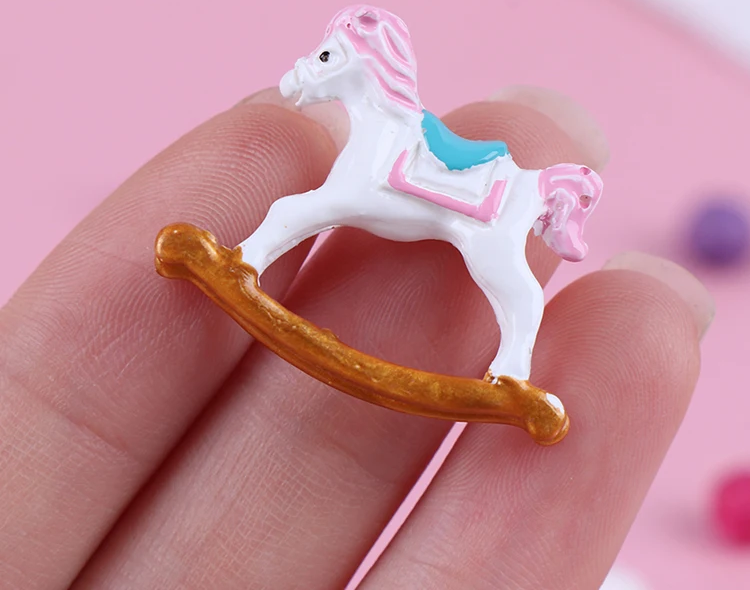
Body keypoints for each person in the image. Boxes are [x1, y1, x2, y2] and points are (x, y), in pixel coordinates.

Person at [0, 85, 712, 589]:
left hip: (476, 192)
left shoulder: (405, 149)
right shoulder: (383, 124)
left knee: (499, 279)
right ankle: (243, 259)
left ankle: (509, 366)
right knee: (311, 206)